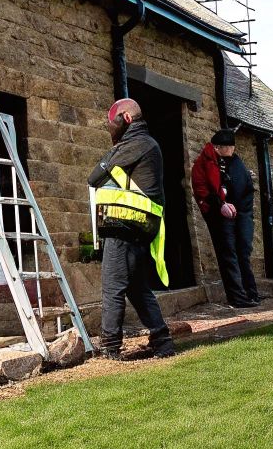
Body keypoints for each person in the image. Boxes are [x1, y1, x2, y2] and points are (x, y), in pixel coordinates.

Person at [88, 97, 177, 360]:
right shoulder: (146, 143)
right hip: (138, 226)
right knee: (136, 287)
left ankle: (109, 347)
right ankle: (162, 340)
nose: (110, 128)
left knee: (112, 286)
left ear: (126, 118)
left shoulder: (136, 144)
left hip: (124, 224)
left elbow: (94, 177)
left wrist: (112, 154)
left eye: (111, 123)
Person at [192, 127, 262, 308]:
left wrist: (239, 208)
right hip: (219, 214)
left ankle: (250, 293)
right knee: (228, 254)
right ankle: (238, 297)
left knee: (242, 252)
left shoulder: (230, 161)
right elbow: (203, 189)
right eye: (229, 147)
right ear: (218, 147)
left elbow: (241, 187)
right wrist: (221, 204)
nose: (232, 150)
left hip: (238, 212)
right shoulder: (205, 162)